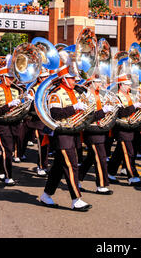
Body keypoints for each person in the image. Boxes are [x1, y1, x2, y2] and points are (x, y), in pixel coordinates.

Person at [39, 62, 92, 211]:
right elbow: (55, 114)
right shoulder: (56, 94)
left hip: (73, 134)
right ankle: (76, 199)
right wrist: (74, 108)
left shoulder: (74, 92)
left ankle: (46, 195)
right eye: (72, 78)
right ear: (64, 79)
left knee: (58, 168)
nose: (75, 80)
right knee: (71, 166)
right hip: (62, 135)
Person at [0, 64, 26, 186]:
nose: (11, 80)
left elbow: (21, 108)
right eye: (9, 77)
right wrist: (9, 105)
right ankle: (8, 176)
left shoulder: (16, 90)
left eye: (12, 77)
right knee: (8, 150)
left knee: (7, 150)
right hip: (2, 125)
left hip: (14, 124)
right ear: (2, 77)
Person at [78, 75, 115, 194]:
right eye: (97, 82)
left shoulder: (101, 95)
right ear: (90, 83)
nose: (100, 84)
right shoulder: (85, 97)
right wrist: (103, 111)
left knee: (90, 158)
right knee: (101, 158)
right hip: (91, 130)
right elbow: (88, 117)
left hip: (101, 130)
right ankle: (102, 185)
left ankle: (77, 179)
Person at [107, 74, 141, 186]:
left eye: (129, 84)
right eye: (127, 85)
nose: (129, 87)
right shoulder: (116, 97)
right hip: (121, 128)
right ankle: (132, 177)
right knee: (129, 153)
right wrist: (134, 106)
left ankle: (109, 173)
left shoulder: (130, 95)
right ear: (121, 85)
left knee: (119, 152)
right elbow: (121, 113)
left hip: (130, 127)